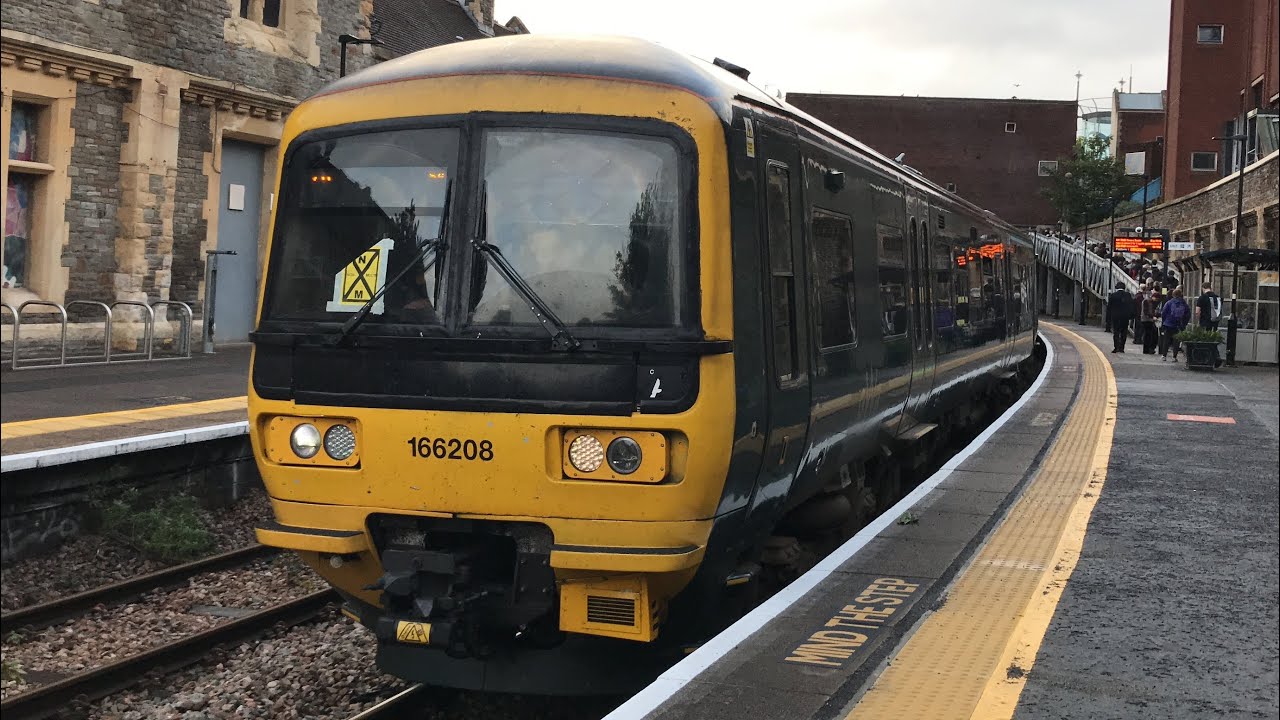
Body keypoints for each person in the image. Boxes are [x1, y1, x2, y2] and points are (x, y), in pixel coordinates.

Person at [1159, 288, 1191, 361]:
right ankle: (1174, 357)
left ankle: (1164, 355)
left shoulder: (1169, 303)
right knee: (1176, 341)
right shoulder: (1184, 303)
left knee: (1166, 340)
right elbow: (1188, 314)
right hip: (1178, 325)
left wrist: (1164, 321)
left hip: (1168, 324)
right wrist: (1184, 323)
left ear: (1173, 295)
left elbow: (1163, 313)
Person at [1106, 282, 1135, 353]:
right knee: (1124, 332)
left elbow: (1109, 308)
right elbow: (1131, 306)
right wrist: (1131, 316)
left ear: (1116, 287)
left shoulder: (1113, 296)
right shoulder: (1128, 295)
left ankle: (1116, 347)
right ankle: (1122, 347)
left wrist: (1108, 318)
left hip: (1115, 317)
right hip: (1125, 317)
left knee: (1116, 332)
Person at [1140, 287, 1159, 354]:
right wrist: (1152, 317)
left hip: (1149, 320)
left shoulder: (1151, 302)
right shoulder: (1146, 301)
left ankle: (1148, 349)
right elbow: (1146, 312)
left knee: (1149, 335)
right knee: (1148, 335)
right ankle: (1146, 349)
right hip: (1146, 320)